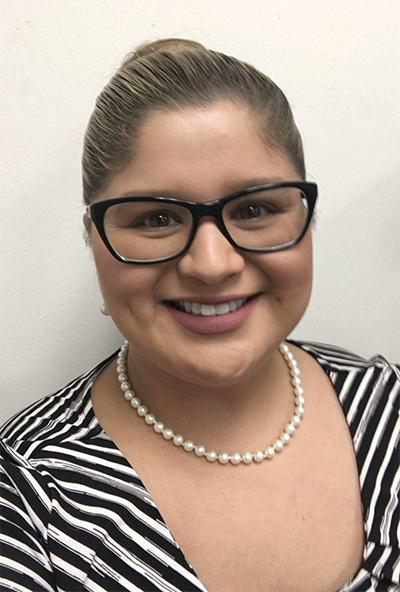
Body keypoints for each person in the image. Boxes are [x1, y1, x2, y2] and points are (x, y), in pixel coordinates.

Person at [0, 38, 398, 592]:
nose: (212, 265)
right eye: (156, 218)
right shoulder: (24, 497)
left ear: (306, 218)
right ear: (93, 239)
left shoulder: (388, 405)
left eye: (255, 209)